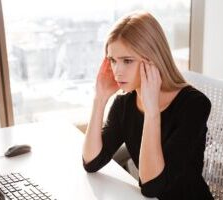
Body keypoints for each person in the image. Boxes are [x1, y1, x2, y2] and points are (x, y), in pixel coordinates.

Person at [82, 11, 213, 200]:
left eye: (127, 61)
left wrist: (152, 112)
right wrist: (100, 99)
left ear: (152, 59)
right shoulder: (124, 104)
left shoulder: (194, 105)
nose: (117, 71)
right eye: (112, 60)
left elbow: (152, 187)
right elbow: (91, 162)